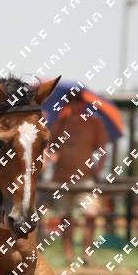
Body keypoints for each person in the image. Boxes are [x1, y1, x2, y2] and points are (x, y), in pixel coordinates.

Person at [44, 91, 108, 264]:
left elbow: (103, 149)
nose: (75, 105)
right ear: (67, 104)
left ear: (83, 104)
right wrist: (50, 158)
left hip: (85, 179)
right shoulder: (59, 124)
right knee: (65, 218)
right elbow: (48, 147)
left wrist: (99, 169)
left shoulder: (94, 123)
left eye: (78, 101)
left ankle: (87, 254)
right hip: (61, 179)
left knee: (91, 213)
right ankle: (69, 254)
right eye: (72, 101)